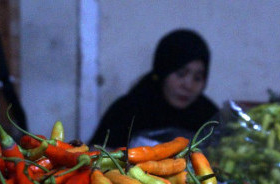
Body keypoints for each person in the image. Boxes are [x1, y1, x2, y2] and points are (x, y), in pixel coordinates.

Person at [89, 29, 219, 148]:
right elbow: (95, 154)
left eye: (197, 78)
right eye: (180, 74)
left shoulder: (209, 117)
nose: (188, 85)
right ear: (163, 71)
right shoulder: (128, 110)